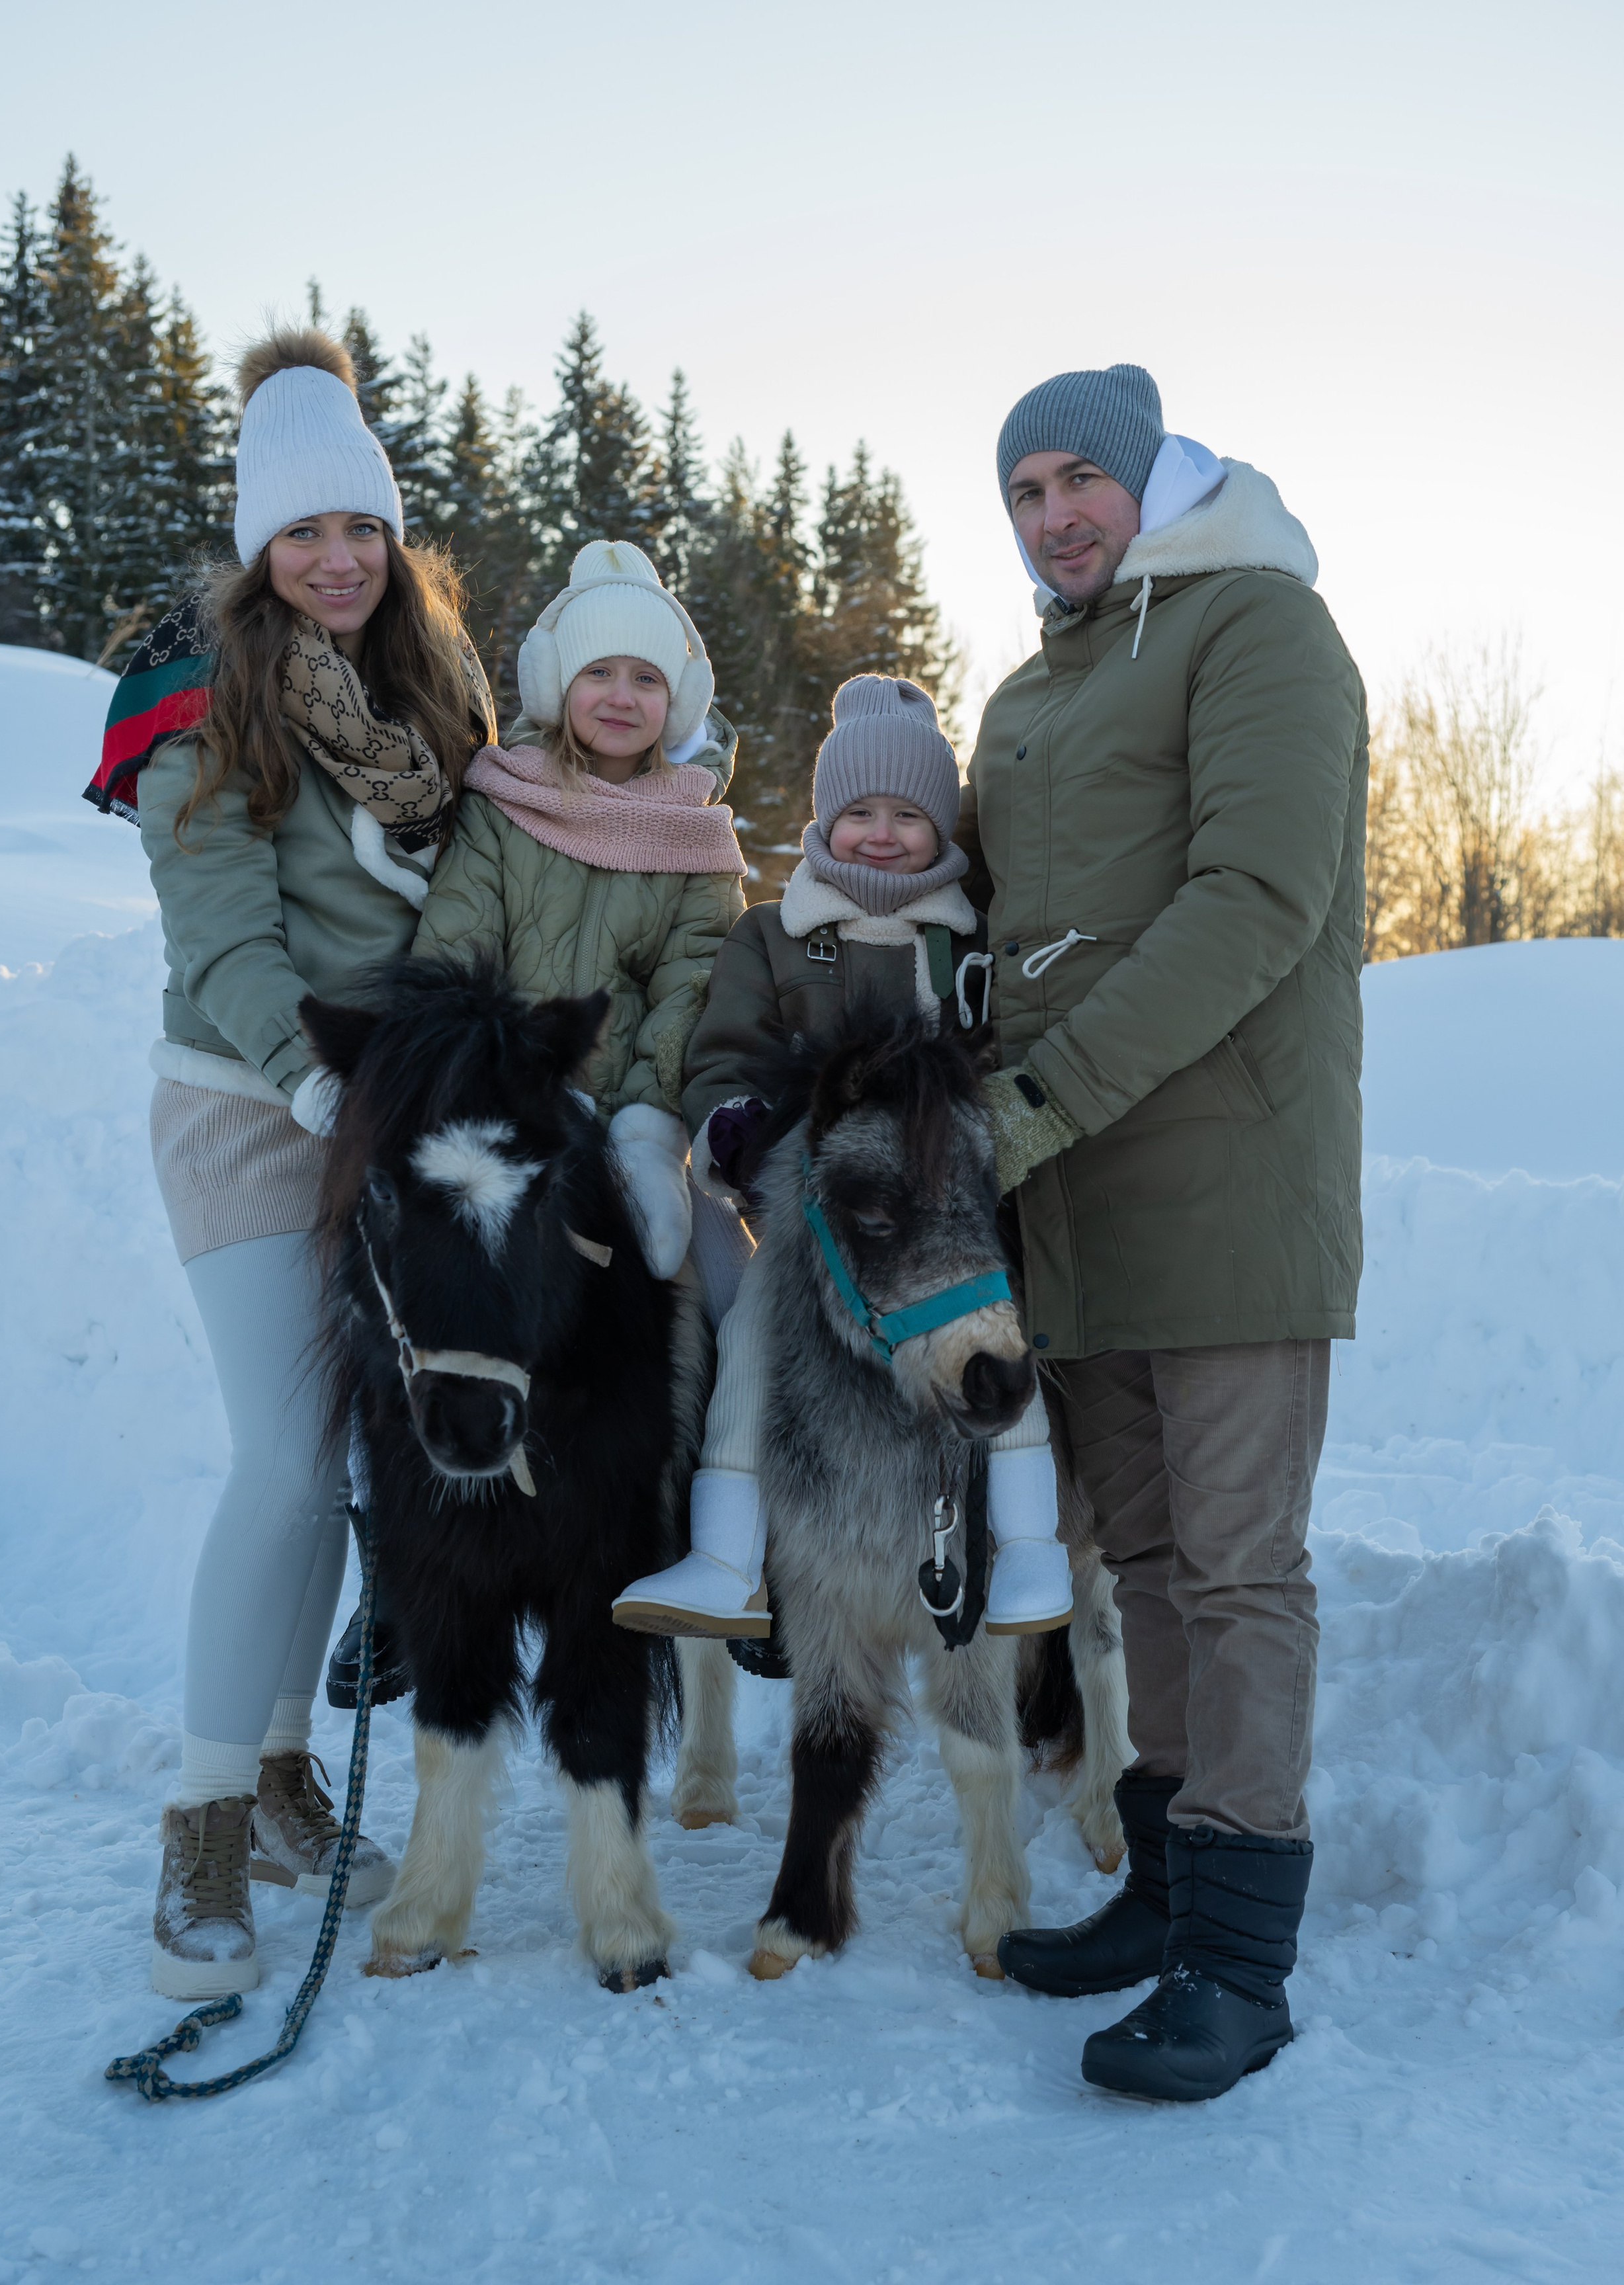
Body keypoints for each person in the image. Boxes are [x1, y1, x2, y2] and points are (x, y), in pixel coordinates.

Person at [962, 363, 1367, 2102]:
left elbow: (1254, 901)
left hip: (1219, 1172)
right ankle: (1165, 1889)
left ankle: (1238, 1958)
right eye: (1025, 493)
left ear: (1150, 481)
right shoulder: (1026, 693)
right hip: (1073, 1198)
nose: (1055, 515)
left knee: (1235, 1562)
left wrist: (1039, 1096)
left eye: (1079, 480)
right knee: (1139, 1565)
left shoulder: (1257, 627)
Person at [96, 328, 492, 1999]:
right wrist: (315, 1092)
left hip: (380, 1119)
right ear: (261, 542)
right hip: (251, 1107)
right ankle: (196, 1823)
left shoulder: (433, 694)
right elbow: (228, 941)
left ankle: (276, 1774)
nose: (336, 560)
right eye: (303, 532)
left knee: (339, 1453)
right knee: (279, 1450)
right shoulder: (205, 695)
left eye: (361, 531)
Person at [611, 673, 1075, 1639]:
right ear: (827, 817)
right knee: (752, 1344)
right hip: (818, 1221)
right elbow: (722, 1050)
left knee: (997, 1335)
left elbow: (1005, 1053)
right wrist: (732, 1119)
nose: (880, 833)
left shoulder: (966, 947)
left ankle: (1032, 1552)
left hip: (945, 1222)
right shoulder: (775, 936)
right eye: (858, 810)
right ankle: (726, 1556)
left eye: (907, 814)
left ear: (941, 828)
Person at [410, 538, 747, 1292]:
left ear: (677, 699)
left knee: (720, 1298)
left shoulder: (697, 836)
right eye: (598, 672)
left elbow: (691, 990)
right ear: (557, 682)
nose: (621, 696)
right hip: (500, 1108)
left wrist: (646, 1128)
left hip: (634, 1130)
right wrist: (500, 1090)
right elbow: (454, 952)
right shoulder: (503, 801)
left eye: (646, 678)